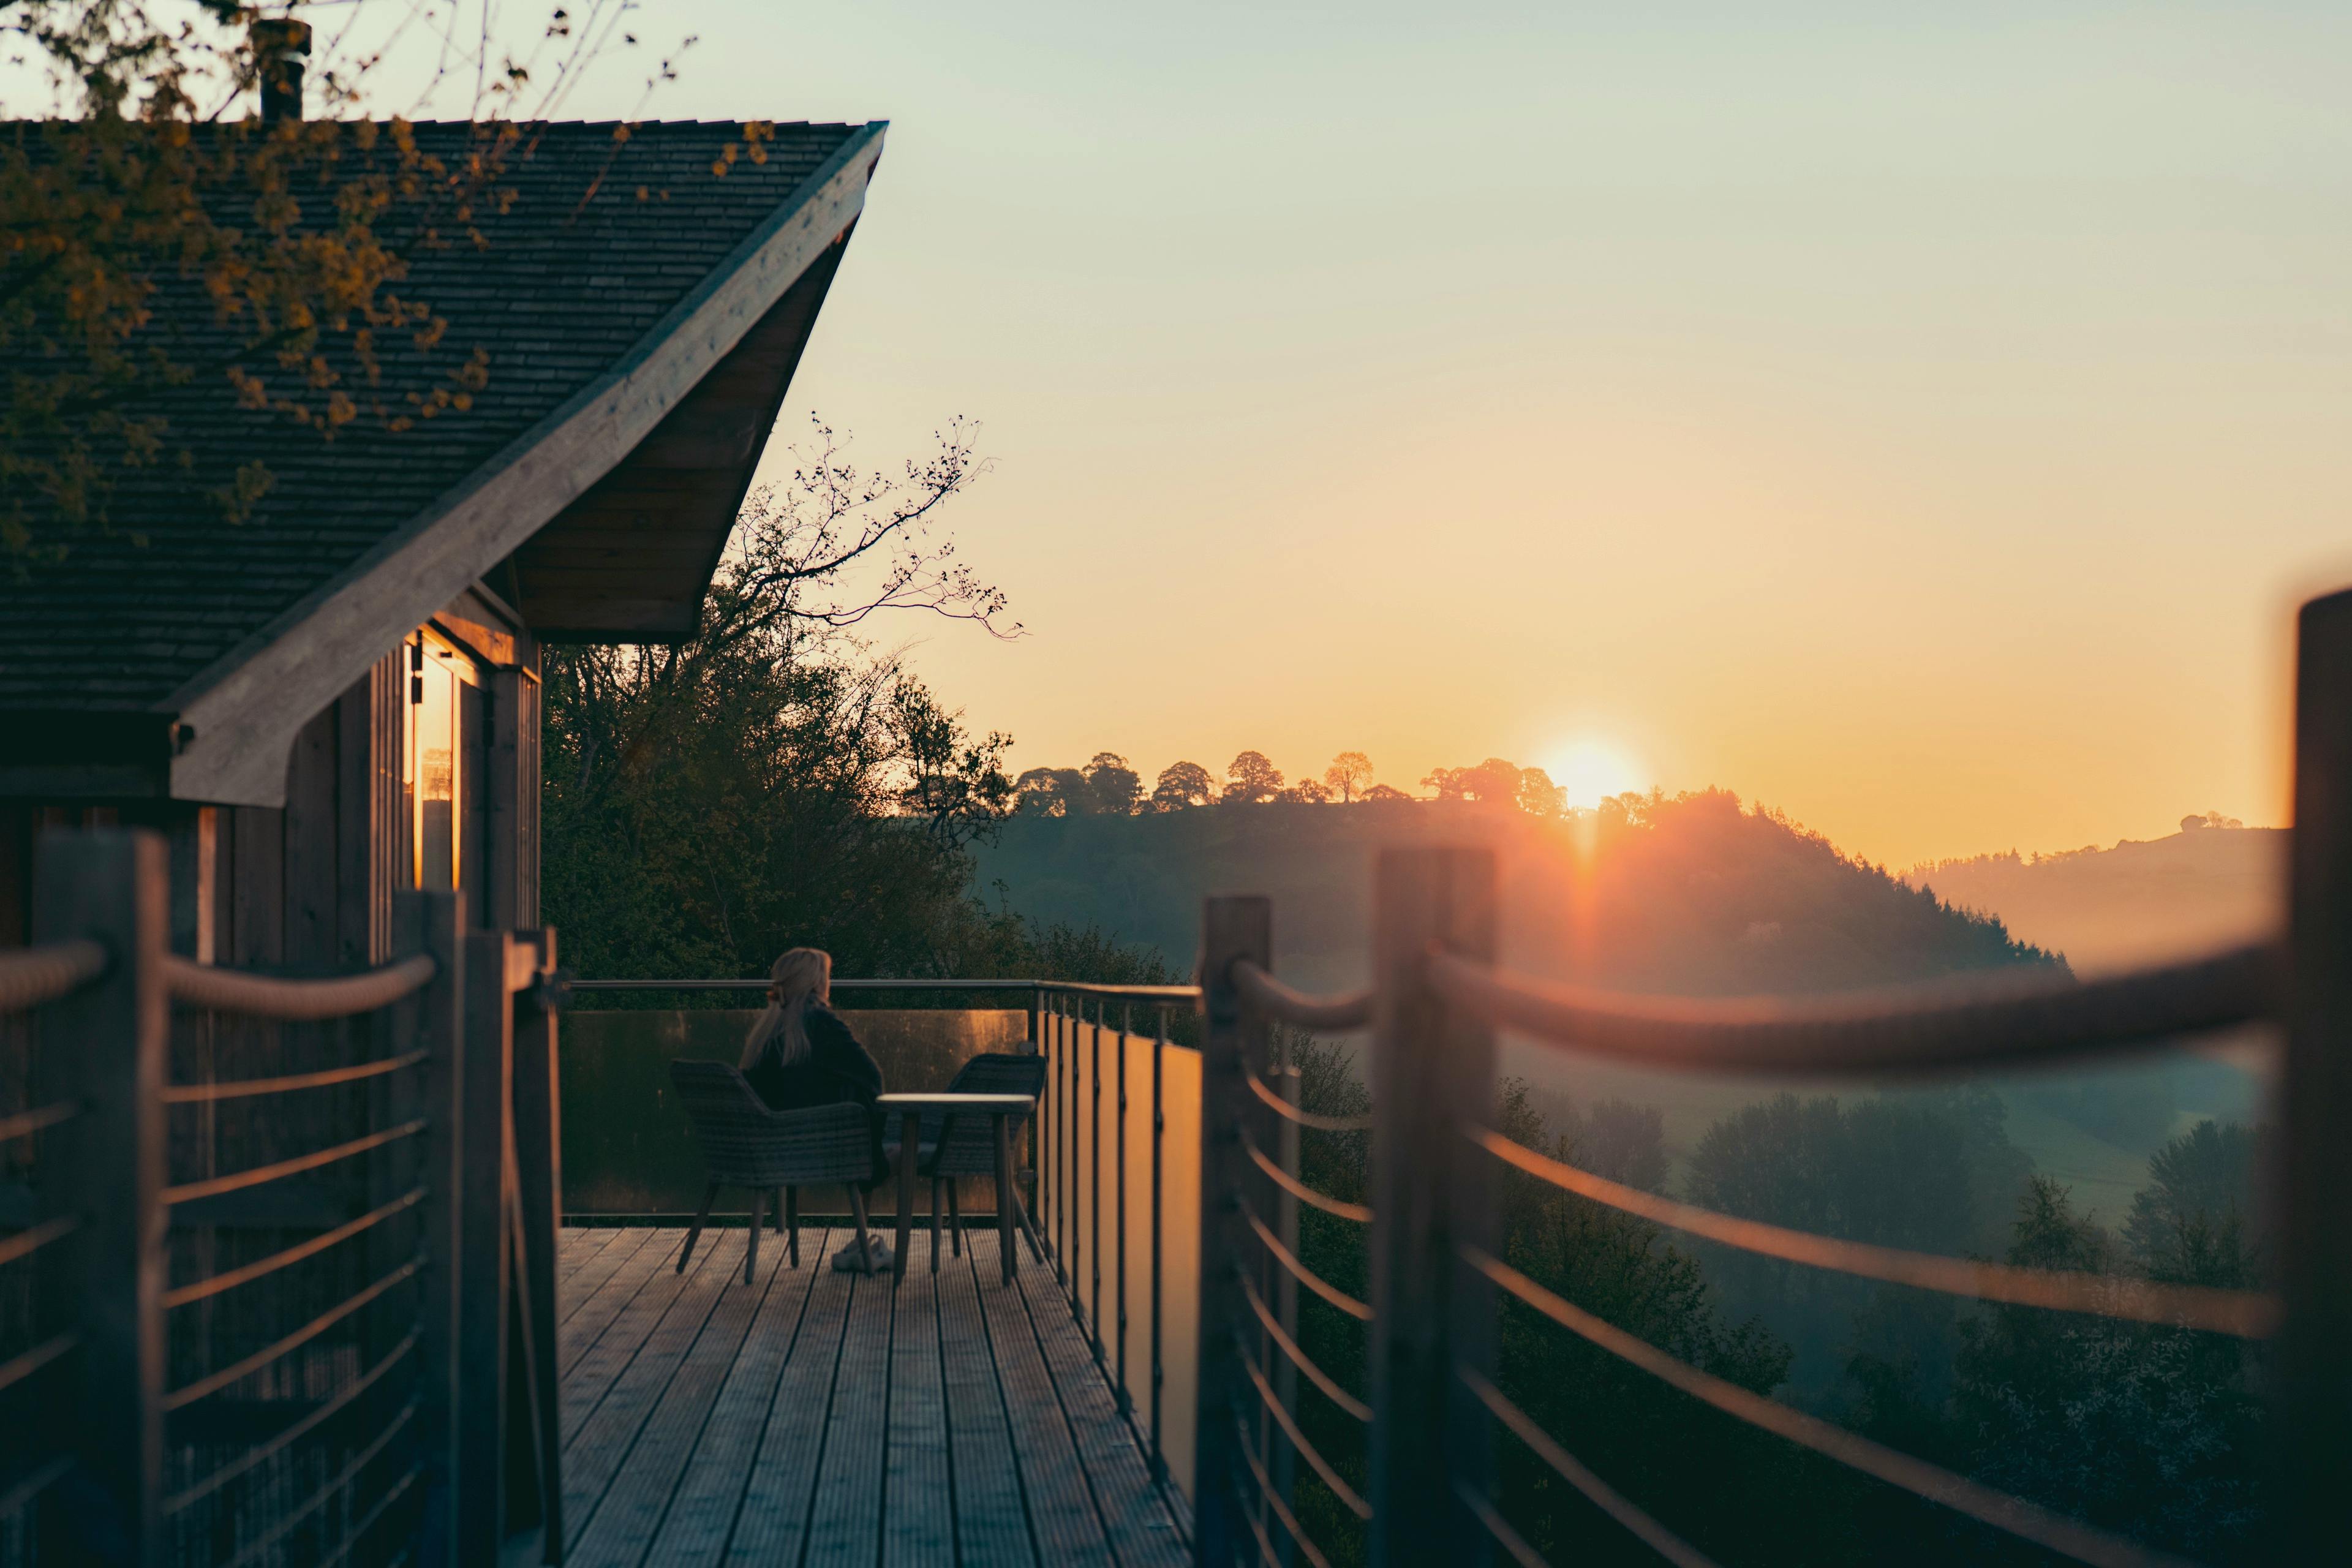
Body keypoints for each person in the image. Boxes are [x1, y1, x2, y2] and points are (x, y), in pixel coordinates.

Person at [740, 947, 892, 1272]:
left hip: (766, 1152)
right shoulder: (821, 1023)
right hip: (821, 1150)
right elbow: (871, 1077)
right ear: (817, 982)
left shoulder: (765, 1033)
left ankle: (862, 1243)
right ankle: (865, 1242)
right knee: (888, 1138)